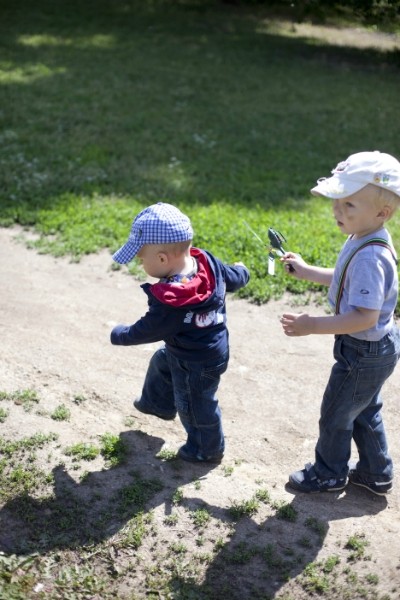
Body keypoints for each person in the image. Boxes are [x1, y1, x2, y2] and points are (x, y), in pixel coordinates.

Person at [280, 150, 400, 495]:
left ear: (382, 212)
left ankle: (328, 473)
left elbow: (363, 315)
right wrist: (307, 271)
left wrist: (311, 324)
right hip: (376, 347)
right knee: (363, 410)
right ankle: (377, 473)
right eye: (337, 201)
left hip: (362, 350)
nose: (337, 210)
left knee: (336, 414)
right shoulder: (365, 237)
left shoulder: (371, 254)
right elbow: (346, 278)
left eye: (349, 205)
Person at [110, 202, 250, 463]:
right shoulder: (206, 262)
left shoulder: (172, 299)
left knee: (196, 405)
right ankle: (158, 404)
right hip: (211, 348)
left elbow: (147, 329)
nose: (141, 264)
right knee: (162, 361)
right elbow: (233, 277)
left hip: (193, 359)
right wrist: (243, 271)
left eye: (142, 259)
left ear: (162, 258)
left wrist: (121, 334)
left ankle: (206, 449)